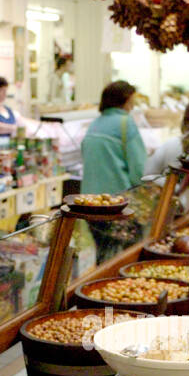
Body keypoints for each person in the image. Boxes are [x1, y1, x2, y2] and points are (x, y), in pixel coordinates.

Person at [80, 82, 147, 263]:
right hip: (117, 202)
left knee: (103, 256)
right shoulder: (126, 123)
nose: (132, 105)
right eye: (132, 101)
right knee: (128, 257)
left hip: (89, 203)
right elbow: (139, 169)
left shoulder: (94, 124)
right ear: (125, 100)